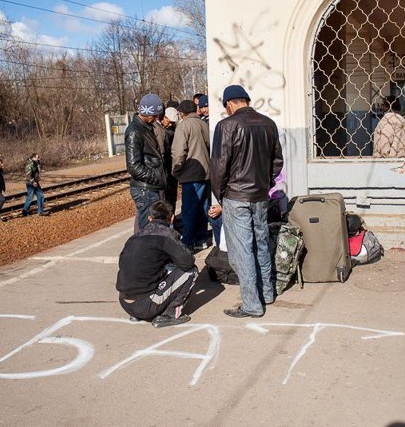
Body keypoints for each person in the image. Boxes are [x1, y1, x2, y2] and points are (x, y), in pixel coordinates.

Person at [211, 85, 284, 318]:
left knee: (242, 251)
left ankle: (252, 304)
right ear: (247, 100)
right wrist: (266, 184)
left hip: (236, 196)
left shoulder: (226, 125)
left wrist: (219, 194)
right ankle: (267, 293)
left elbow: (219, 166)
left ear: (229, 104)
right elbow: (277, 162)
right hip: (260, 196)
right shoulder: (268, 123)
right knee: (260, 244)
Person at [116, 200, 199, 328]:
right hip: (146, 306)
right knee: (191, 271)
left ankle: (138, 313)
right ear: (171, 218)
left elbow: (123, 263)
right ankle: (170, 314)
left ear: (150, 218)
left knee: (155, 267)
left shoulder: (135, 237)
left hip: (125, 302)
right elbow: (188, 262)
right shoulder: (166, 236)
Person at [172, 99, 212, 252]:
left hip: (190, 174)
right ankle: (201, 238)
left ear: (182, 113)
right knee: (203, 207)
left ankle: (188, 241)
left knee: (188, 210)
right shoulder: (203, 124)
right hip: (205, 173)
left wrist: (176, 170)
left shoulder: (183, 126)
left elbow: (178, 152)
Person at [126, 93, 166, 232]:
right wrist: (155, 176)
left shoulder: (145, 128)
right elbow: (133, 166)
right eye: (155, 115)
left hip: (150, 187)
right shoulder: (134, 132)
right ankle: (141, 253)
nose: (157, 119)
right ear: (146, 112)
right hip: (145, 188)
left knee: (151, 228)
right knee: (145, 228)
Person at [161, 107, 180, 210]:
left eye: (173, 123)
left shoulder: (174, 131)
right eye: (169, 122)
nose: (170, 125)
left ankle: (171, 216)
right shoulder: (158, 130)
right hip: (164, 167)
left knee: (172, 194)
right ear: (164, 117)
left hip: (171, 166)